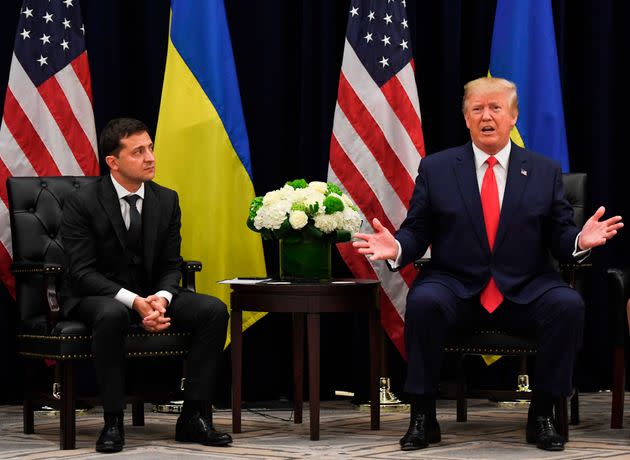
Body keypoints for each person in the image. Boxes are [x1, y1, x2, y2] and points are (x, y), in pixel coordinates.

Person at [353, 77, 623, 452]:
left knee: (567, 305)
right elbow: (417, 230)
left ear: (513, 116)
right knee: (423, 302)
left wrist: (579, 241)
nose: (487, 116)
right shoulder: (437, 168)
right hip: (456, 285)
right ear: (466, 118)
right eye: (477, 108)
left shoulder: (544, 172)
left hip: (526, 287)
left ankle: (542, 413)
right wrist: (397, 246)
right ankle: (423, 416)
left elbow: (561, 238)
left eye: (496, 108)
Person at [61, 118, 232, 453]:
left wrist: (162, 300)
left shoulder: (166, 199)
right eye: (138, 151)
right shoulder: (83, 202)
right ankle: (113, 421)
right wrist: (135, 302)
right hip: (97, 295)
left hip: (154, 293)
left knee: (213, 310)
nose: (150, 157)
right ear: (113, 162)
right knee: (111, 315)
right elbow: (82, 272)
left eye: (150, 148)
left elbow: (172, 264)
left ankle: (194, 415)